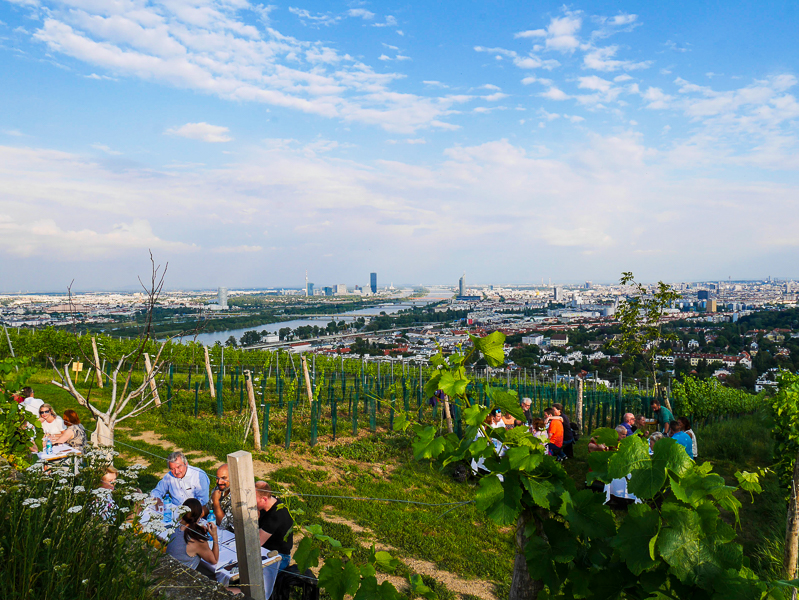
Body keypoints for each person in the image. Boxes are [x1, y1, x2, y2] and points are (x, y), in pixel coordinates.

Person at [166, 498, 219, 570]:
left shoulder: (176, 529)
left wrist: (198, 528)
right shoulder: (196, 540)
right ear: (200, 516)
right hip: (183, 577)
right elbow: (214, 560)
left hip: (169, 570)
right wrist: (215, 536)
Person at [256, 483, 294, 571]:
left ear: (264, 499)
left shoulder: (276, 516)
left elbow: (256, 543)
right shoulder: (271, 502)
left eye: (253, 500)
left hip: (279, 557)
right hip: (266, 550)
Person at [208, 464, 234, 531]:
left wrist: (216, 501)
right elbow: (208, 506)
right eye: (217, 478)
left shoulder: (236, 496)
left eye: (223, 478)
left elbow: (223, 525)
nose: (219, 482)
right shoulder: (219, 488)